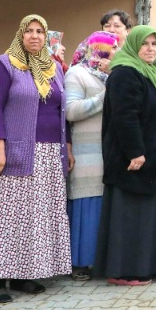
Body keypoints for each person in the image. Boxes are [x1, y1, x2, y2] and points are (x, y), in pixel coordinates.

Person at [0, 14, 73, 304]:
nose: (34, 36)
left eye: (40, 31)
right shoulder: (6, 65)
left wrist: (67, 147)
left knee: (36, 216)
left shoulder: (54, 68)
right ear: (20, 34)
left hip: (50, 154)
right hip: (16, 151)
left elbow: (60, 112)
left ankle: (23, 275)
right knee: (6, 215)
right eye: (28, 31)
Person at [93, 26, 156, 285]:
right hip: (133, 158)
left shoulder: (153, 73)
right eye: (145, 44)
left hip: (155, 154)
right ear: (133, 46)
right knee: (132, 215)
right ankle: (125, 270)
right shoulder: (126, 73)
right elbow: (124, 117)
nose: (151, 48)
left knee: (149, 215)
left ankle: (150, 265)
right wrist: (136, 152)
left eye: (154, 44)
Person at [64, 30, 118, 279]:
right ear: (97, 49)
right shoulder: (77, 73)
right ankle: (80, 263)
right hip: (86, 151)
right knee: (87, 203)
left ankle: (101, 259)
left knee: (103, 203)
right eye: (111, 48)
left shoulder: (111, 74)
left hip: (107, 149)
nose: (116, 53)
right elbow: (71, 111)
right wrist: (106, 95)